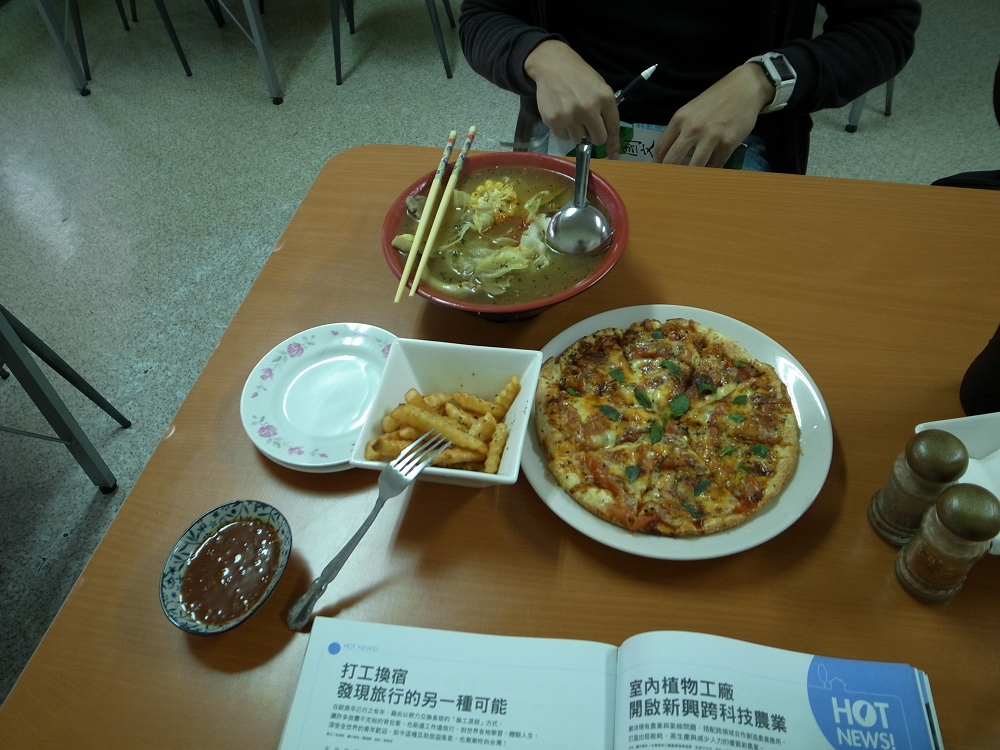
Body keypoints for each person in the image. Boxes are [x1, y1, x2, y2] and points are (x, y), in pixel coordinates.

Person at [459, 0, 921, 174]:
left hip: (742, 140)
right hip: (572, 132)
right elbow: (484, 14)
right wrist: (538, 54)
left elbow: (883, 26)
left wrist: (768, 76)